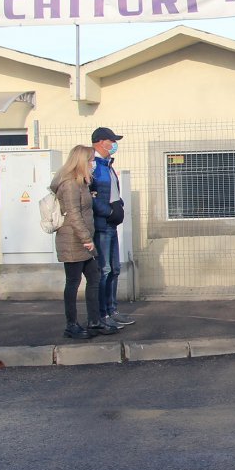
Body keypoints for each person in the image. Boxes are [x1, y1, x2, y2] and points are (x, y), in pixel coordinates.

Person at [51, 145, 117, 340]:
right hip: (73, 240)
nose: (92, 164)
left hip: (83, 239)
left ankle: (94, 321)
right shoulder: (69, 184)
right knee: (73, 282)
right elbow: (73, 215)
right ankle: (71, 325)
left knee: (94, 278)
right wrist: (87, 240)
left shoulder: (81, 182)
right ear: (80, 162)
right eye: (89, 161)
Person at [90, 127, 132, 331]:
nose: (114, 144)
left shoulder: (107, 165)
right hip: (102, 225)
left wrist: (119, 206)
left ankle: (112, 310)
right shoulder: (93, 165)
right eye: (111, 141)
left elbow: (113, 192)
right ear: (99, 142)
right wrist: (107, 212)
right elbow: (91, 196)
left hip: (111, 223)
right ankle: (103, 314)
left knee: (115, 269)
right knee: (105, 270)